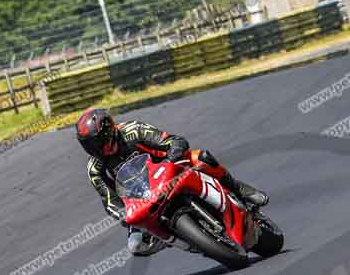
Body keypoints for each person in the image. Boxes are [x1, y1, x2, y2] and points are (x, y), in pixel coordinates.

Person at [76, 108, 269, 256]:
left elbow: (176, 141)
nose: (98, 148)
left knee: (201, 156)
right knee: (135, 246)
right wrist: (124, 216)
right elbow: (108, 200)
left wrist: (170, 160)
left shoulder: (133, 130)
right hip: (142, 200)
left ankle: (238, 188)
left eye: (99, 142)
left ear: (109, 130)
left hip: (169, 171)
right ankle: (179, 240)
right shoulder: (94, 169)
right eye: (91, 146)